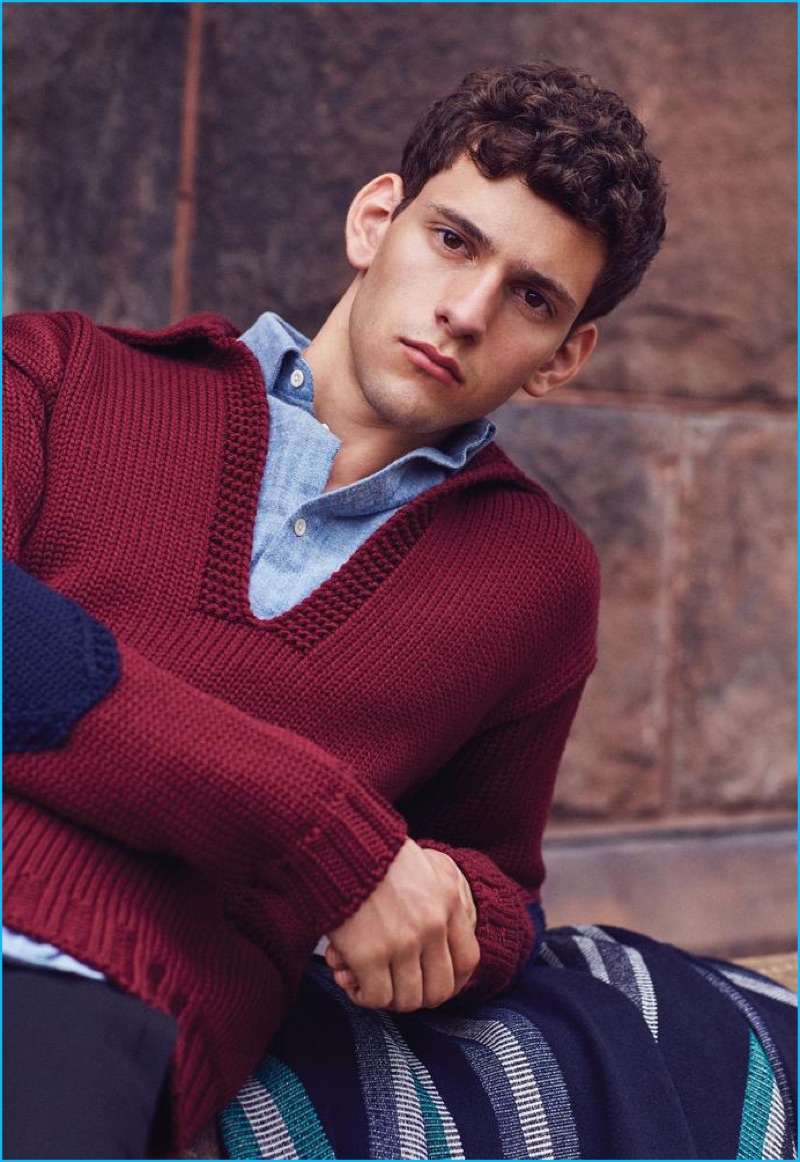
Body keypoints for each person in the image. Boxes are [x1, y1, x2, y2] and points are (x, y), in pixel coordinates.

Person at [3, 62, 794, 1161]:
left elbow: (499, 882)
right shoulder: (60, 370)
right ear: (376, 220)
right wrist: (332, 843)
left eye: (531, 298)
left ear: (564, 357)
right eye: (453, 241)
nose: (465, 313)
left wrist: (448, 911)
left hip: (96, 999)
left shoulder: (533, 577)